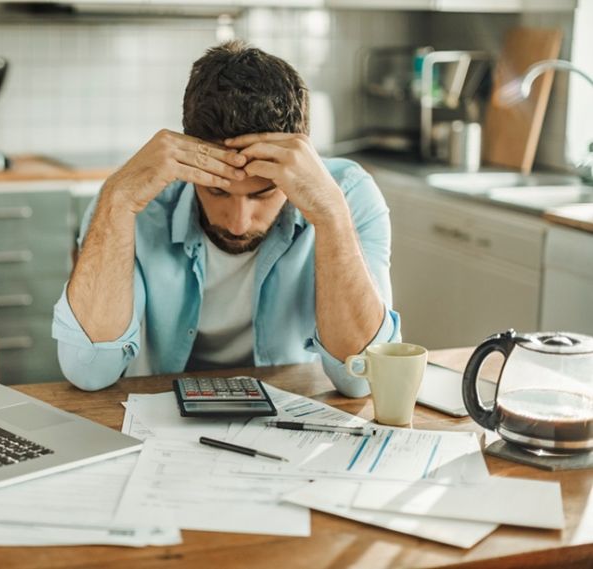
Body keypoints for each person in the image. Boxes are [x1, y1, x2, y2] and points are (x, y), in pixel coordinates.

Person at [52, 40, 400, 398]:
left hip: (291, 424)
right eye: (216, 191)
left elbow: (361, 377)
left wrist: (331, 216)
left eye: (263, 193)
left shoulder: (347, 196)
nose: (238, 223)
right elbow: (87, 370)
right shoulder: (135, 197)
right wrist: (117, 200)